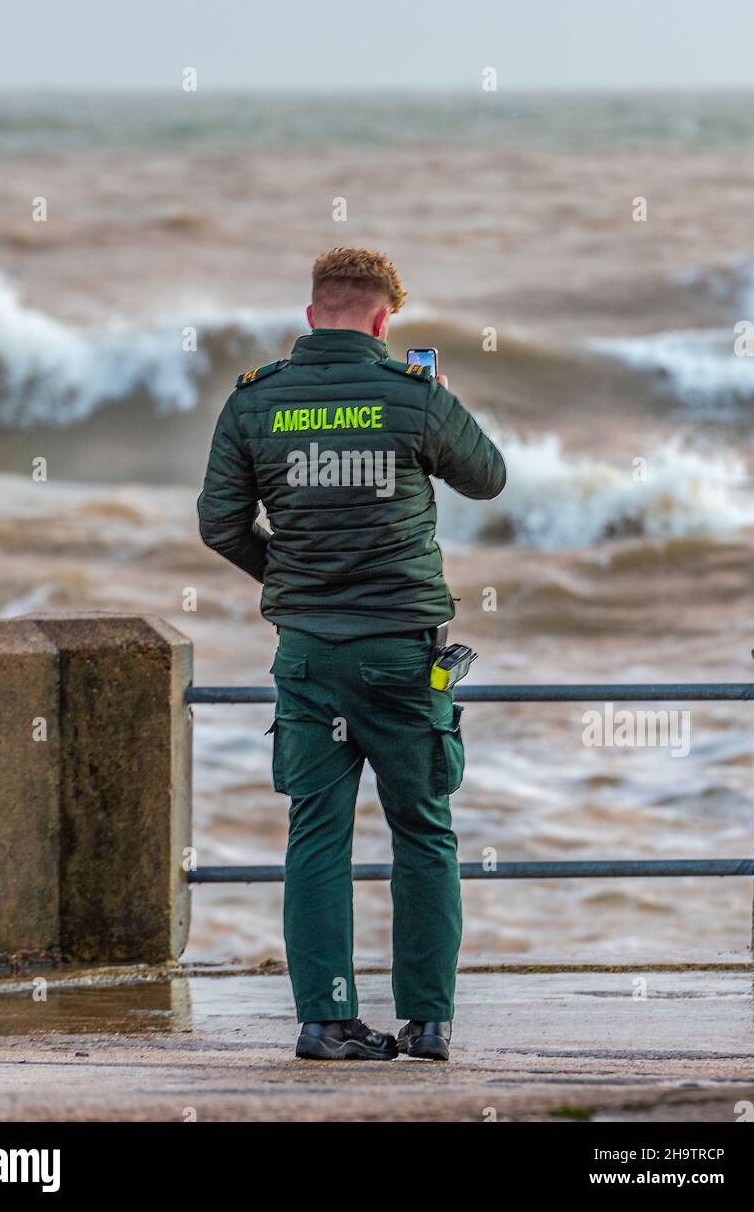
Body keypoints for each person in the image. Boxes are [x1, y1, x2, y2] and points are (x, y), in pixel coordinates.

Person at [198, 247, 506, 1061]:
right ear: (382, 320)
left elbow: (219, 525)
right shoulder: (413, 396)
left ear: (310, 315)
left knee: (315, 834)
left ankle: (325, 1020)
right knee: (424, 830)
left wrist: (296, 582)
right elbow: (489, 479)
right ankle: (427, 1023)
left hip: (307, 658)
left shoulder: (255, 402)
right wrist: (440, 398)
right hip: (404, 656)